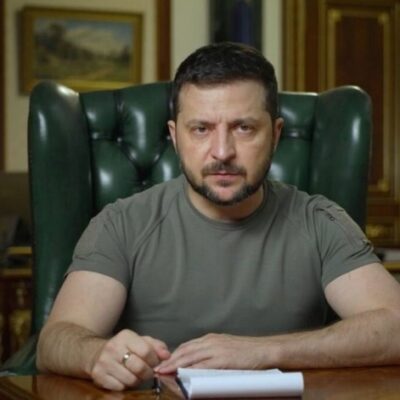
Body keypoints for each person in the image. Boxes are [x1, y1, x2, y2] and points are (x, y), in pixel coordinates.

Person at [36, 42, 400, 391]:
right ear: (175, 136)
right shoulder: (121, 223)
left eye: (244, 128)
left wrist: (265, 351)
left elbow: (395, 326)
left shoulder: (320, 221)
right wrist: (95, 355)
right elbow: (55, 341)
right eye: (201, 129)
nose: (222, 152)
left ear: (275, 135)